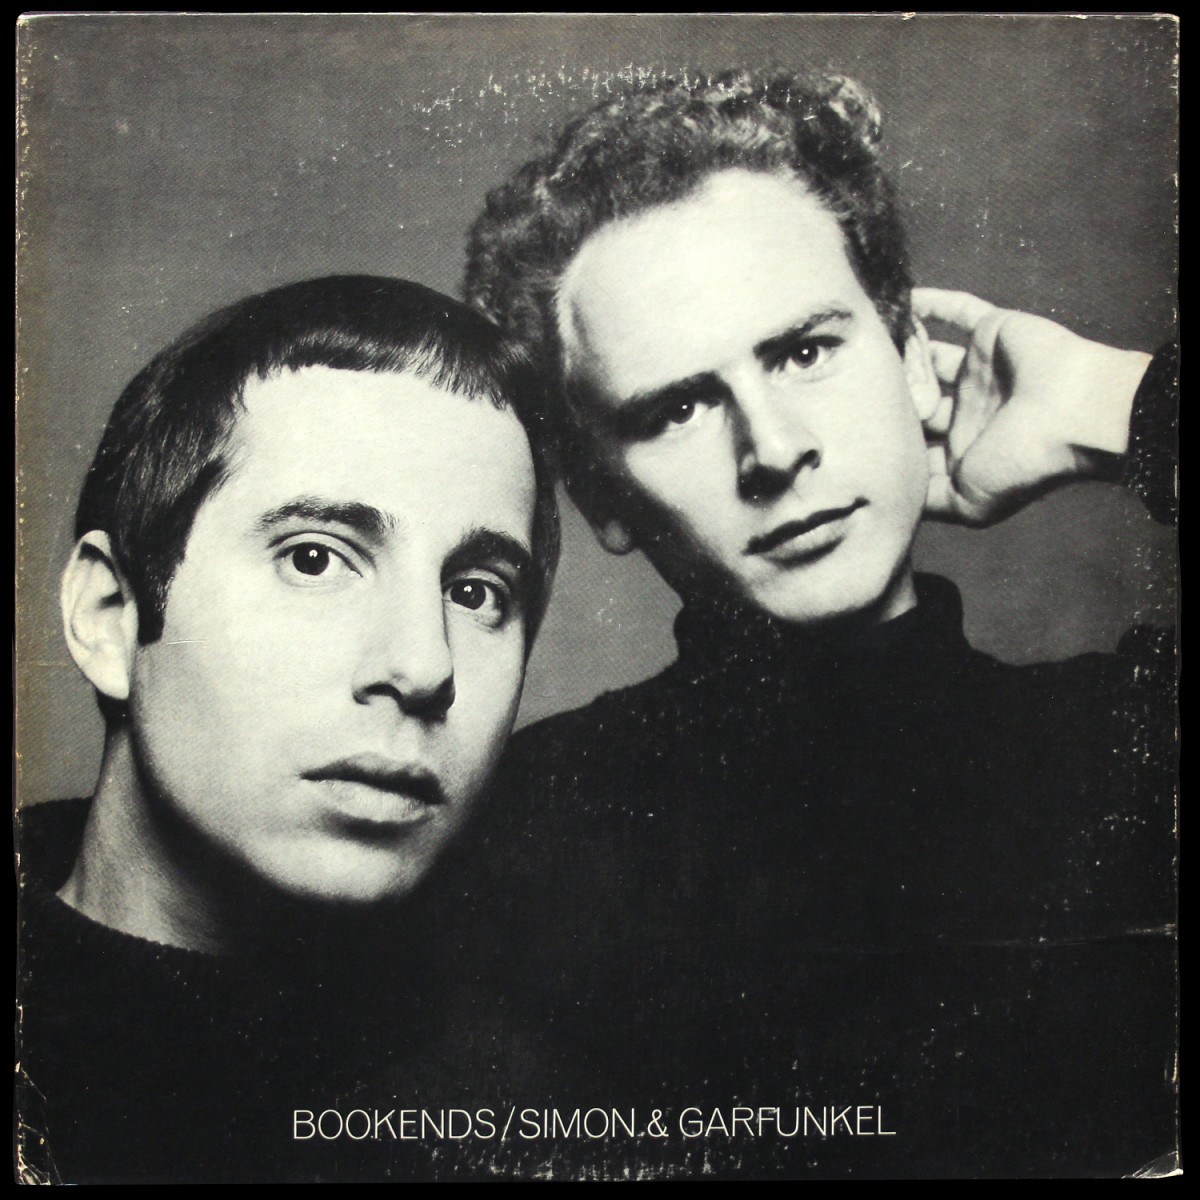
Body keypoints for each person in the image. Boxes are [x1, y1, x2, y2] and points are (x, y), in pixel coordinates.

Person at [458, 70, 1177, 1177]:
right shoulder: (512, 834)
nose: (775, 448)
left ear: (913, 360)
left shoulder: (1132, 743)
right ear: (600, 499)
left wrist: (1120, 409)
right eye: (677, 407)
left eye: (805, 350)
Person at [15, 274, 560, 1183]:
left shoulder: (540, 1120)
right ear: (110, 619)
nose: (423, 665)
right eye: (314, 559)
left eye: (475, 593)